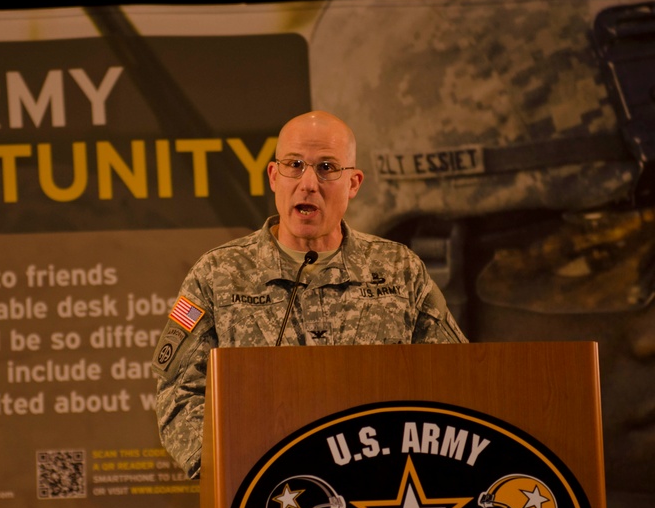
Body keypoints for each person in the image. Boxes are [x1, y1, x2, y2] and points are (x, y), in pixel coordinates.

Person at [151, 111, 467, 479]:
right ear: (273, 176)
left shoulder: (400, 268)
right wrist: (224, 473)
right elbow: (179, 394)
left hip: (387, 487)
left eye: (327, 167)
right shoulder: (216, 275)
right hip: (267, 491)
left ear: (353, 183)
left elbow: (453, 378)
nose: (308, 183)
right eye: (294, 165)